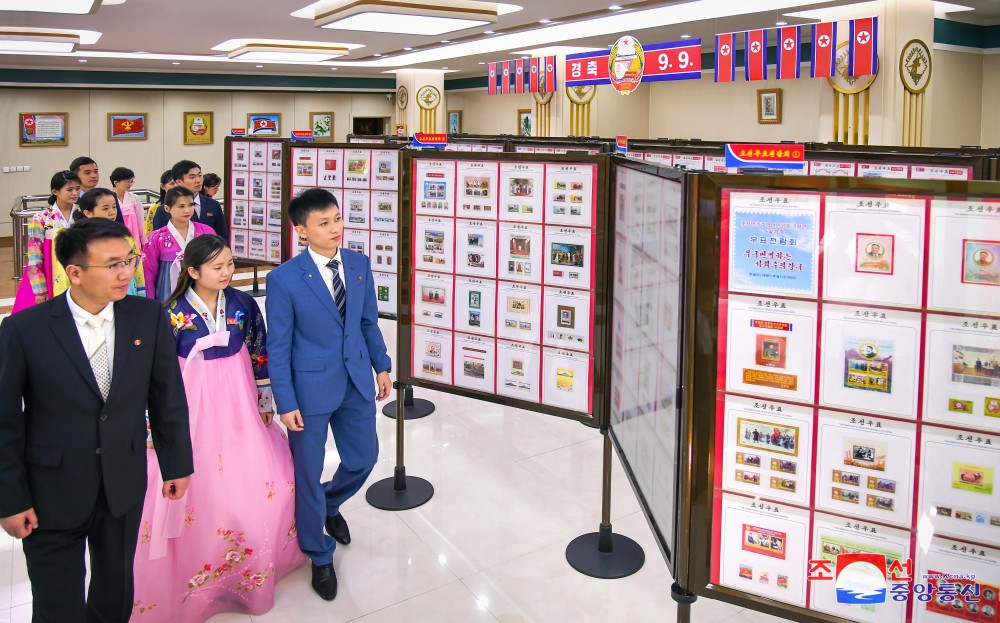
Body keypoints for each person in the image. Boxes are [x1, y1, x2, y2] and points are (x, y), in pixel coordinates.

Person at [0, 218, 193, 623]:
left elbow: (167, 395)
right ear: (74, 272)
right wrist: (10, 498)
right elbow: (5, 420)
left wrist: (176, 463)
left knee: (115, 591)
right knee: (58, 604)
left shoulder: (147, 317)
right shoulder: (25, 329)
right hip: (51, 490)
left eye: (129, 260)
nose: (126, 273)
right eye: (112, 265)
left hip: (122, 481)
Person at [131, 235, 303, 621]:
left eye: (229, 264)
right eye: (217, 266)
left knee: (257, 477)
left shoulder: (242, 304)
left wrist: (265, 400)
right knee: (200, 479)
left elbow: (259, 350)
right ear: (192, 271)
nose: (227, 272)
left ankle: (252, 565)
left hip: (238, 395)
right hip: (191, 400)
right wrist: (152, 424)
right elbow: (154, 374)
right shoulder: (169, 312)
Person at [266, 188, 392, 601]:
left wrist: (382, 365)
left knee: (363, 458)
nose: (336, 228)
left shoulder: (358, 264)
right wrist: (286, 401)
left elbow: (368, 322)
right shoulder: (284, 279)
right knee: (307, 471)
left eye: (337, 218)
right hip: (308, 391)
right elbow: (278, 346)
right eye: (324, 222)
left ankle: (327, 504)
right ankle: (319, 555)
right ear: (301, 230)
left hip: (356, 379)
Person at [12, 170, 81, 312]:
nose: (75, 193)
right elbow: (35, 254)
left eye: (77, 188)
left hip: (78, 269)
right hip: (51, 270)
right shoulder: (41, 218)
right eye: (69, 189)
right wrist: (39, 289)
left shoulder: (82, 214)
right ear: (55, 191)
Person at [143, 187, 216, 301]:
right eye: (181, 206)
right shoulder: (156, 238)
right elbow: (149, 273)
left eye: (191, 205)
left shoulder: (206, 231)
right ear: (167, 208)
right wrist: (150, 302)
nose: (187, 210)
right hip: (168, 291)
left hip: (201, 288)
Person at [77, 187, 147, 297]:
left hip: (127, 289)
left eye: (114, 207)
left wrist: (141, 292)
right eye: (105, 208)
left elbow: (137, 266)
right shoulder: (79, 241)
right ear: (88, 213)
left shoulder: (125, 237)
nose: (112, 212)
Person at [152, 160, 229, 240]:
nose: (198, 180)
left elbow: (222, 237)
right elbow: (158, 239)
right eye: (192, 177)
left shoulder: (213, 205)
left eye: (200, 175)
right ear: (179, 182)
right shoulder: (165, 210)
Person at [72, 156, 126, 226]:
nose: (93, 175)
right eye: (87, 173)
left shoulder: (110, 195)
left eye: (96, 171)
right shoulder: (72, 199)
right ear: (75, 176)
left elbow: (119, 224)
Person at [110, 166, 146, 247]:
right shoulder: (108, 198)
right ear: (116, 182)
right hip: (114, 235)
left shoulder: (134, 198)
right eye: (127, 181)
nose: (130, 184)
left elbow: (140, 221)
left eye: (131, 181)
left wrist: (143, 239)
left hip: (133, 235)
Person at [144, 170, 177, 241]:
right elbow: (150, 230)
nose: (176, 186)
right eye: (172, 183)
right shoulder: (156, 207)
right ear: (162, 186)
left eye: (178, 183)